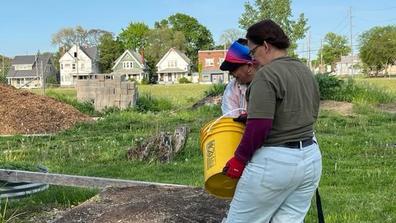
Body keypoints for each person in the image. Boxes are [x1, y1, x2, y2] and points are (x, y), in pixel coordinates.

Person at [223, 19, 322, 223]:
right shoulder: (304, 71)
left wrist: (239, 160)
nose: (252, 58)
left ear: (266, 46)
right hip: (310, 158)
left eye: (252, 52)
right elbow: (306, 112)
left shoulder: (265, 75)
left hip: (275, 163)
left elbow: (260, 127)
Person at [220, 38, 257, 118]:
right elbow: (229, 118)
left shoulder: (269, 84)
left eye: (233, 69)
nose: (230, 73)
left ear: (250, 66)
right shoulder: (232, 87)